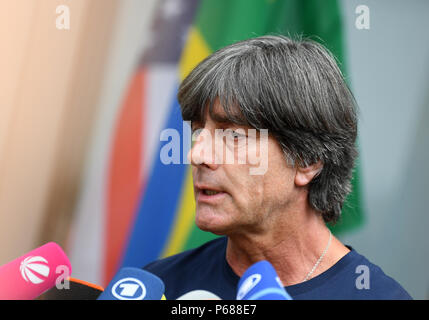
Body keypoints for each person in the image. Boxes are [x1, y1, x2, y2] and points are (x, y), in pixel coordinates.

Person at [143, 35, 412, 299]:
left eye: (233, 136)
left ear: (307, 160)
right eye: (198, 132)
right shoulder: (159, 286)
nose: (196, 154)